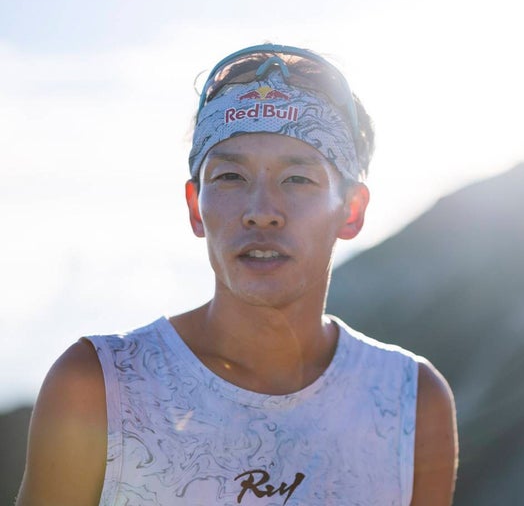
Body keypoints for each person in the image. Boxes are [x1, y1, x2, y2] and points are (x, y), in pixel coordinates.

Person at [16, 44, 458, 506]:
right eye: (230, 177)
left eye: (298, 179)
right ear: (196, 207)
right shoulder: (97, 386)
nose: (261, 211)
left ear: (351, 211)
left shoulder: (410, 401)